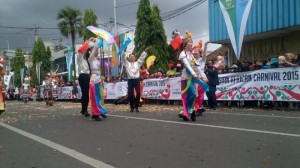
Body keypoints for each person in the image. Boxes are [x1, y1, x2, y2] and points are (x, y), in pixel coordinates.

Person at [178, 33, 209, 121]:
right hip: (185, 78)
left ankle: (189, 112)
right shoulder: (183, 53)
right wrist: (193, 73)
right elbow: (187, 65)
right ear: (185, 43)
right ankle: (188, 112)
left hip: (192, 77)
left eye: (191, 42)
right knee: (190, 94)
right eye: (189, 42)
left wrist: (202, 76)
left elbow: (197, 65)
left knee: (193, 94)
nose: (191, 44)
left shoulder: (191, 54)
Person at [122, 46, 151, 112]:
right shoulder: (127, 64)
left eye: (133, 57)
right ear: (129, 58)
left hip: (136, 80)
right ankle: (132, 107)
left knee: (138, 93)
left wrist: (145, 51)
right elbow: (123, 58)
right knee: (130, 94)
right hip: (130, 80)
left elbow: (141, 58)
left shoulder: (137, 63)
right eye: (131, 57)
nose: (132, 58)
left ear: (135, 58)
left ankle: (137, 106)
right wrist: (124, 51)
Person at [88, 37, 107, 121]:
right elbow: (94, 49)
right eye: (95, 51)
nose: (96, 52)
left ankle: (100, 111)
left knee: (99, 96)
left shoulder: (97, 60)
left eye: (97, 51)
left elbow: (99, 70)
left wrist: (101, 76)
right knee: (95, 97)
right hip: (93, 79)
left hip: (98, 79)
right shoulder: (90, 59)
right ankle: (96, 113)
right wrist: (97, 40)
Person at [192, 42, 209, 116]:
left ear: (200, 52)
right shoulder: (192, 60)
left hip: (201, 78)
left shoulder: (202, 60)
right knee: (195, 94)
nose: (194, 52)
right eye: (194, 51)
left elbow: (204, 53)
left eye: (196, 51)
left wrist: (205, 45)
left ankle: (199, 108)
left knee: (200, 94)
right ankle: (198, 108)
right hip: (194, 78)